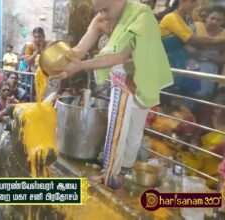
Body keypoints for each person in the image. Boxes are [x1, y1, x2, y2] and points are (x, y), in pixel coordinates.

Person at [51, 0, 173, 188]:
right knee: (117, 129)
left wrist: (81, 66)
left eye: (105, 9)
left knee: (132, 131)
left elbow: (120, 56)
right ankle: (113, 175)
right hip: (121, 78)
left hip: (141, 78)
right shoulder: (101, 18)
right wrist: (61, 61)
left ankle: (119, 174)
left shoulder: (141, 15)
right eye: (99, 11)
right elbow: (80, 49)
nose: (103, 15)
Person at [189, 5, 225, 99]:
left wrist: (208, 56)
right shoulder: (195, 27)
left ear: (223, 21)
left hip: (210, 71)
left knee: (200, 96)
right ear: (206, 18)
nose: (214, 22)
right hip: (190, 66)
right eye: (212, 18)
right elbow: (187, 48)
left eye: (219, 20)